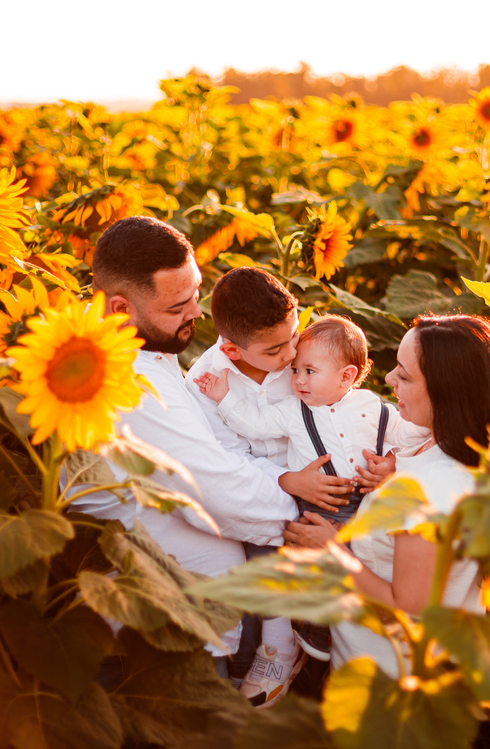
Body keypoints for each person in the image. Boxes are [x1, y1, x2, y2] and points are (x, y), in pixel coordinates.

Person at [71, 216, 354, 702]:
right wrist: (321, 519)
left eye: (196, 294)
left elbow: (216, 458)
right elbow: (219, 493)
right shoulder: (126, 381)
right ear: (119, 309)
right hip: (156, 637)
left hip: (194, 622)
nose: (196, 313)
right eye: (177, 306)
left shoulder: (142, 349)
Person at [282, 314, 490, 678]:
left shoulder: (429, 492)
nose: (389, 379)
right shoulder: (446, 447)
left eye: (405, 376)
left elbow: (406, 610)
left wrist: (331, 552)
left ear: (445, 391)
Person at [184, 268, 351, 704]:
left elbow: (343, 404)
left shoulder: (304, 352)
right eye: (275, 350)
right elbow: (227, 459)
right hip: (261, 485)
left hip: (328, 476)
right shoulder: (205, 383)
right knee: (253, 542)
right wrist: (289, 482)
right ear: (231, 349)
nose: (291, 353)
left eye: (293, 337)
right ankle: (279, 646)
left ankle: (330, 641)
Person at [194, 314, 428, 522]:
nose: (298, 380)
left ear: (346, 377)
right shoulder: (294, 409)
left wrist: (393, 461)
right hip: (319, 509)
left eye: (310, 371)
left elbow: (407, 434)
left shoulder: (370, 405)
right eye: (295, 370)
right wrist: (224, 398)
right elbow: (257, 424)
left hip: (371, 503)